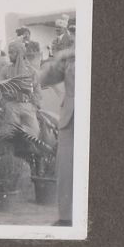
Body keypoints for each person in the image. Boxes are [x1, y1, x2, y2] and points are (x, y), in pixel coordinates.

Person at [40, 25, 75, 226]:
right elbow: (44, 78)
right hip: (71, 118)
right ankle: (66, 218)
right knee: (66, 168)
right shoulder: (73, 55)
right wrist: (60, 58)